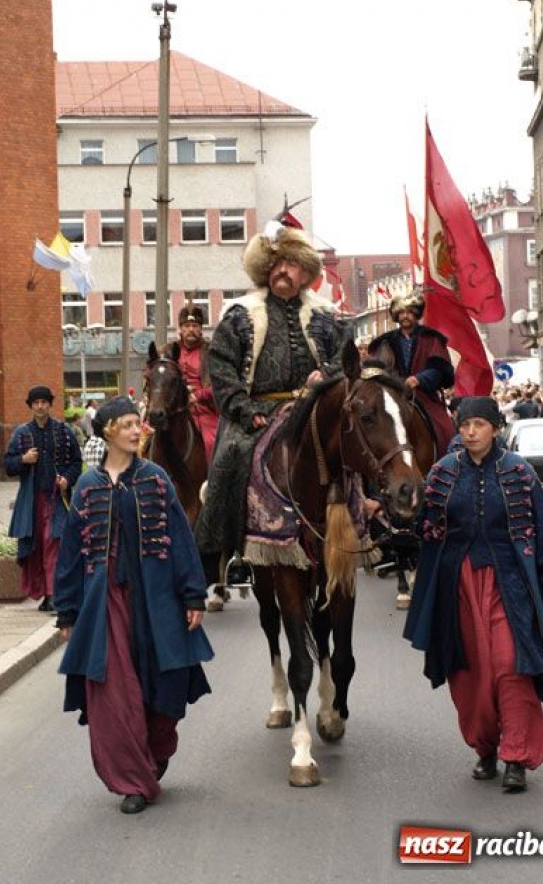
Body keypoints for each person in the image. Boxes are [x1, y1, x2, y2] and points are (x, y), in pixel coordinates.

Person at [53, 396, 213, 815]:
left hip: (157, 599)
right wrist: (68, 610)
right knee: (113, 693)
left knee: (165, 685)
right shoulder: (88, 486)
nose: (136, 430)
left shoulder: (156, 478)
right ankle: (132, 781)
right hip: (105, 603)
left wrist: (193, 593)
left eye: (136, 423)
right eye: (127, 424)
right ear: (107, 432)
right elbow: (71, 553)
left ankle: (155, 751)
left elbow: (180, 537)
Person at [404, 396, 543, 793]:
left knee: (512, 667)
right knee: (469, 673)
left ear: (496, 428)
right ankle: (485, 749)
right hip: (457, 586)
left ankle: (517, 756)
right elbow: (422, 527)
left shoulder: (520, 472)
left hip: (510, 585)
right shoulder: (443, 472)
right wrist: (390, 513)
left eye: (479, 424)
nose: (471, 432)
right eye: (464, 425)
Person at [194, 223, 350, 576]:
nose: (282, 270)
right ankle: (224, 551)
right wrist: (244, 410)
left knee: (356, 444)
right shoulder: (240, 314)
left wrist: (326, 376)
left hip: (315, 406)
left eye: (291, 263)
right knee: (229, 458)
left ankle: (377, 521)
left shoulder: (327, 315)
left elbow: (346, 357)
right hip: (258, 409)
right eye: (275, 264)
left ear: (305, 271)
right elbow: (221, 367)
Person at [3, 386, 83, 611]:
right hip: (31, 501)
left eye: (44, 402)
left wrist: (67, 479)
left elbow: (76, 462)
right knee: (35, 546)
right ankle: (44, 592)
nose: (40, 406)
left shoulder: (64, 431)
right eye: (36, 402)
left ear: (50, 404)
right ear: (31, 406)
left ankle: (53, 594)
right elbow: (8, 465)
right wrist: (23, 459)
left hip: (57, 500)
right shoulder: (21, 433)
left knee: (54, 543)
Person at [369, 293, 455, 459]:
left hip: (423, 394)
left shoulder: (431, 339)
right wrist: (393, 382)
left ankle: (447, 464)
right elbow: (378, 369)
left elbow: (439, 368)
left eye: (409, 312)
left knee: (446, 428)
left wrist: (419, 379)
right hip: (392, 394)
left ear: (416, 314)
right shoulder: (385, 342)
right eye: (401, 312)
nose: (405, 316)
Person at [165, 304, 220, 464]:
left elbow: (219, 384)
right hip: (171, 410)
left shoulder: (213, 352)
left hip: (204, 410)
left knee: (211, 442)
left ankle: (211, 482)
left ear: (201, 329)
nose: (191, 329)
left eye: (195, 325)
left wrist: (197, 396)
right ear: (180, 329)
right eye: (186, 326)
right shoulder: (167, 351)